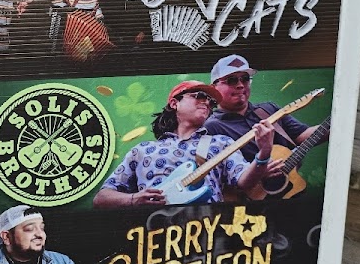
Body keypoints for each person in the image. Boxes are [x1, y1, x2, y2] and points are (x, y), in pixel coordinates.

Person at [92, 80, 276, 208]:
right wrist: (133, 199)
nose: (207, 102)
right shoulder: (142, 150)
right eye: (200, 96)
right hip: (152, 237)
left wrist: (264, 153)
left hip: (206, 234)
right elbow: (101, 198)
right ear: (175, 103)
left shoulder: (222, 143)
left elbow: (244, 182)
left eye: (211, 101)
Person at [203, 55, 327, 170]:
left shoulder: (268, 110)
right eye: (232, 80)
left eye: (245, 79)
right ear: (213, 88)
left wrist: (335, 124)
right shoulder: (210, 127)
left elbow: (302, 135)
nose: (240, 85)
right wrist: (258, 173)